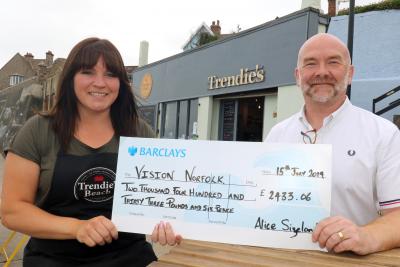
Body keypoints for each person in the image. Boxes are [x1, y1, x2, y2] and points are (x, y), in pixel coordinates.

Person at [1, 37, 181, 266]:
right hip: (53, 259)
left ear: (121, 82)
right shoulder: (37, 131)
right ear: (70, 79)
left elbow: (164, 199)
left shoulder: (139, 131)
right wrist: (77, 227)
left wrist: (168, 224)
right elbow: (12, 211)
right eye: (88, 72)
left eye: (110, 74)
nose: (100, 83)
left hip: (128, 258)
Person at [266, 33, 400, 255]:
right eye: (310, 64)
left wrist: (366, 235)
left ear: (350, 74)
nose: (321, 72)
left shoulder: (384, 135)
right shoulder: (277, 134)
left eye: (333, 62)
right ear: (298, 76)